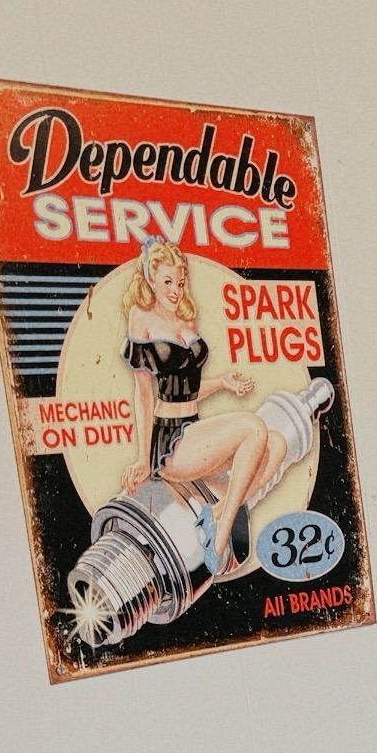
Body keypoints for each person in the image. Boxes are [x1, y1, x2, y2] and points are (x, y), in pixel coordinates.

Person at [118, 239, 286, 575]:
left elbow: (187, 391)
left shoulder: (186, 323)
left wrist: (223, 383)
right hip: (170, 444)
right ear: (151, 280)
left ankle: (218, 511)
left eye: (180, 283)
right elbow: (145, 394)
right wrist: (143, 458)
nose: (175, 291)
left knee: (278, 444)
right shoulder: (141, 318)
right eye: (167, 282)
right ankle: (219, 538)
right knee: (254, 427)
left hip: (193, 433)